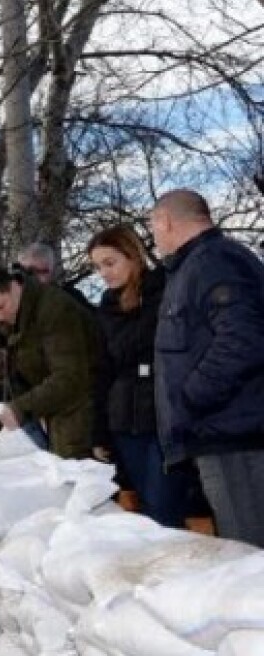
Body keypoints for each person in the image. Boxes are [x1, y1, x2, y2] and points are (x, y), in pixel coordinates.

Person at [149, 189, 264, 547]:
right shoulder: (197, 265)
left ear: (165, 221)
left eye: (153, 227)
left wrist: (191, 398)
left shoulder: (213, 262)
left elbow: (243, 339)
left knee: (248, 553)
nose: (154, 238)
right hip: (220, 432)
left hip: (232, 436)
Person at [88, 224, 193, 528]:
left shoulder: (166, 290)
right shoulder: (106, 307)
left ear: (133, 256)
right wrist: (99, 432)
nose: (104, 273)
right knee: (147, 510)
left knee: (165, 509)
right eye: (97, 267)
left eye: (110, 263)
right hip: (124, 422)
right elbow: (102, 371)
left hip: (165, 418)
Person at [0, 262, 97, 458]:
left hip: (85, 412)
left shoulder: (55, 309)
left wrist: (19, 409)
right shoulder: (17, 318)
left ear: (13, 286)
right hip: (57, 413)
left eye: (0, 307)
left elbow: (69, 377)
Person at [18, 242, 93, 309]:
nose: (36, 278)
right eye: (30, 271)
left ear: (52, 271)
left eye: (43, 272)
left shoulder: (71, 298)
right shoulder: (12, 301)